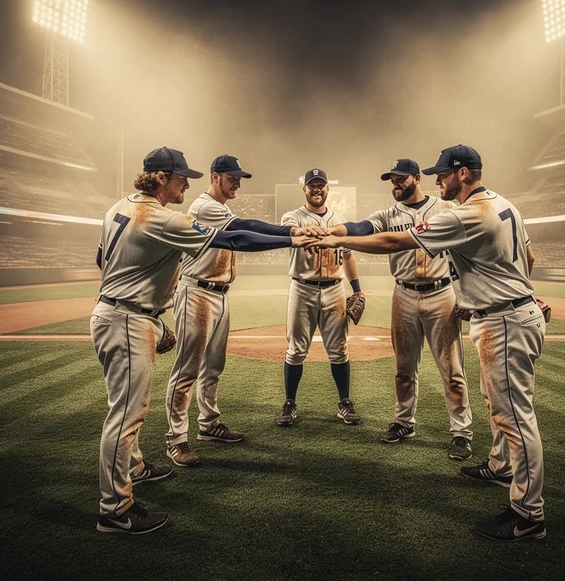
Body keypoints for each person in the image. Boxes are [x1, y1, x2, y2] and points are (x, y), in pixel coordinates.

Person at [310, 145, 547, 542]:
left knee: (514, 418)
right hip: (509, 310)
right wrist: (518, 291)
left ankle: (529, 514)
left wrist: (337, 242)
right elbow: (529, 255)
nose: (440, 180)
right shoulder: (504, 204)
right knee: (499, 406)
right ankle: (501, 465)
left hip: (503, 319)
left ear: (465, 173)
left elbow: (393, 243)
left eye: (444, 174)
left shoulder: (468, 212)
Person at [92, 147, 316, 534]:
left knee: (133, 407)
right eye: (181, 178)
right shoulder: (161, 218)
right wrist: (291, 238)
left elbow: (101, 259)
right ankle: (115, 509)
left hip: (120, 311)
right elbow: (238, 238)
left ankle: (135, 467)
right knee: (126, 415)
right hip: (128, 319)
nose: (186, 184)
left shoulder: (119, 206)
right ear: (161, 178)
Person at [165, 155, 324, 467]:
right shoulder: (204, 206)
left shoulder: (220, 207)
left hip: (218, 293)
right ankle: (176, 440)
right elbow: (243, 231)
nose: (237, 181)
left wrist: (290, 237)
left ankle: (208, 425)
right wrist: (290, 236)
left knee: (213, 367)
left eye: (239, 177)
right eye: (232, 176)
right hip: (197, 292)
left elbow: (242, 228)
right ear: (215, 176)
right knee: (187, 370)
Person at [326, 158, 473, 459]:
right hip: (403, 293)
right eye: (391, 179)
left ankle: (461, 432)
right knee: (404, 368)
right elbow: (361, 226)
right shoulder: (389, 214)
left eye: (400, 178)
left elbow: (465, 252)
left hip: (441, 293)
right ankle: (405, 422)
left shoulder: (445, 209)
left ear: (416, 178)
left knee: (451, 369)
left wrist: (465, 295)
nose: (395, 183)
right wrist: (331, 230)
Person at [276, 168, 365, 427]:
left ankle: (345, 403)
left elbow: (348, 256)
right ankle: (290, 403)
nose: (317, 189)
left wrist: (357, 288)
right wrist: (310, 233)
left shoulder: (340, 220)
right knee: (296, 349)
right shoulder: (293, 216)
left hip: (335, 288)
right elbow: (289, 231)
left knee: (339, 349)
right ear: (304, 189)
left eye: (321, 185)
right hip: (302, 287)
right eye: (312, 185)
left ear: (327, 189)